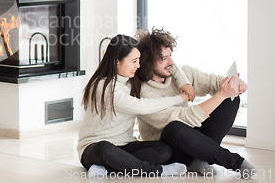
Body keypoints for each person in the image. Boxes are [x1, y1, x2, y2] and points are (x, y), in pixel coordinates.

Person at [135, 28, 256, 178]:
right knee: (175, 127)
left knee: (231, 98)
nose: (171, 62)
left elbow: (215, 82)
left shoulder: (182, 73)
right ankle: (234, 162)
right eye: (163, 58)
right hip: (171, 149)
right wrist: (222, 94)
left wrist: (235, 85)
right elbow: (183, 118)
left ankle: (200, 159)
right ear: (147, 60)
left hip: (194, 138)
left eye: (170, 56)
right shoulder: (143, 94)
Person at [77, 34, 190, 179]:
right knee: (105, 149)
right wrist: (178, 99)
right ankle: (157, 171)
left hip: (125, 145)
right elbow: (141, 107)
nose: (138, 65)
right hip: (94, 148)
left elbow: (163, 61)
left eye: (139, 60)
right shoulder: (103, 86)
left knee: (164, 150)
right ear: (117, 62)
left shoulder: (132, 80)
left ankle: (107, 169)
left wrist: (184, 83)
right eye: (134, 61)